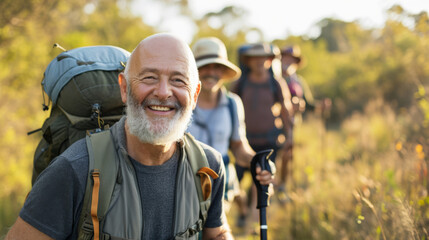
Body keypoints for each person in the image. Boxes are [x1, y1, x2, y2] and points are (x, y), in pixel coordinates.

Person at [4, 33, 276, 240]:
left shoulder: (209, 166)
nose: (163, 92)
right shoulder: (75, 168)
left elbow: (215, 232)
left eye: (178, 80)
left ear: (193, 95)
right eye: (149, 78)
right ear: (124, 88)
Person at [187, 37, 274, 226]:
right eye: (205, 66)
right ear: (194, 70)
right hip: (185, 185)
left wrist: (259, 164)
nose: (211, 72)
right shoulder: (181, 103)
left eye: (216, 67)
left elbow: (238, 146)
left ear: (223, 71)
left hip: (221, 185)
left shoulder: (233, 104)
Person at [231, 42, 294, 223]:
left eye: (263, 57)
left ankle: (254, 223)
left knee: (260, 182)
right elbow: (230, 107)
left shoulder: (276, 83)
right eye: (255, 58)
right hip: (244, 143)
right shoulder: (240, 83)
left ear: (269, 60)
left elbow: (285, 109)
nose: (259, 61)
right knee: (236, 179)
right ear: (248, 61)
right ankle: (243, 211)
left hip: (269, 141)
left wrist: (289, 135)